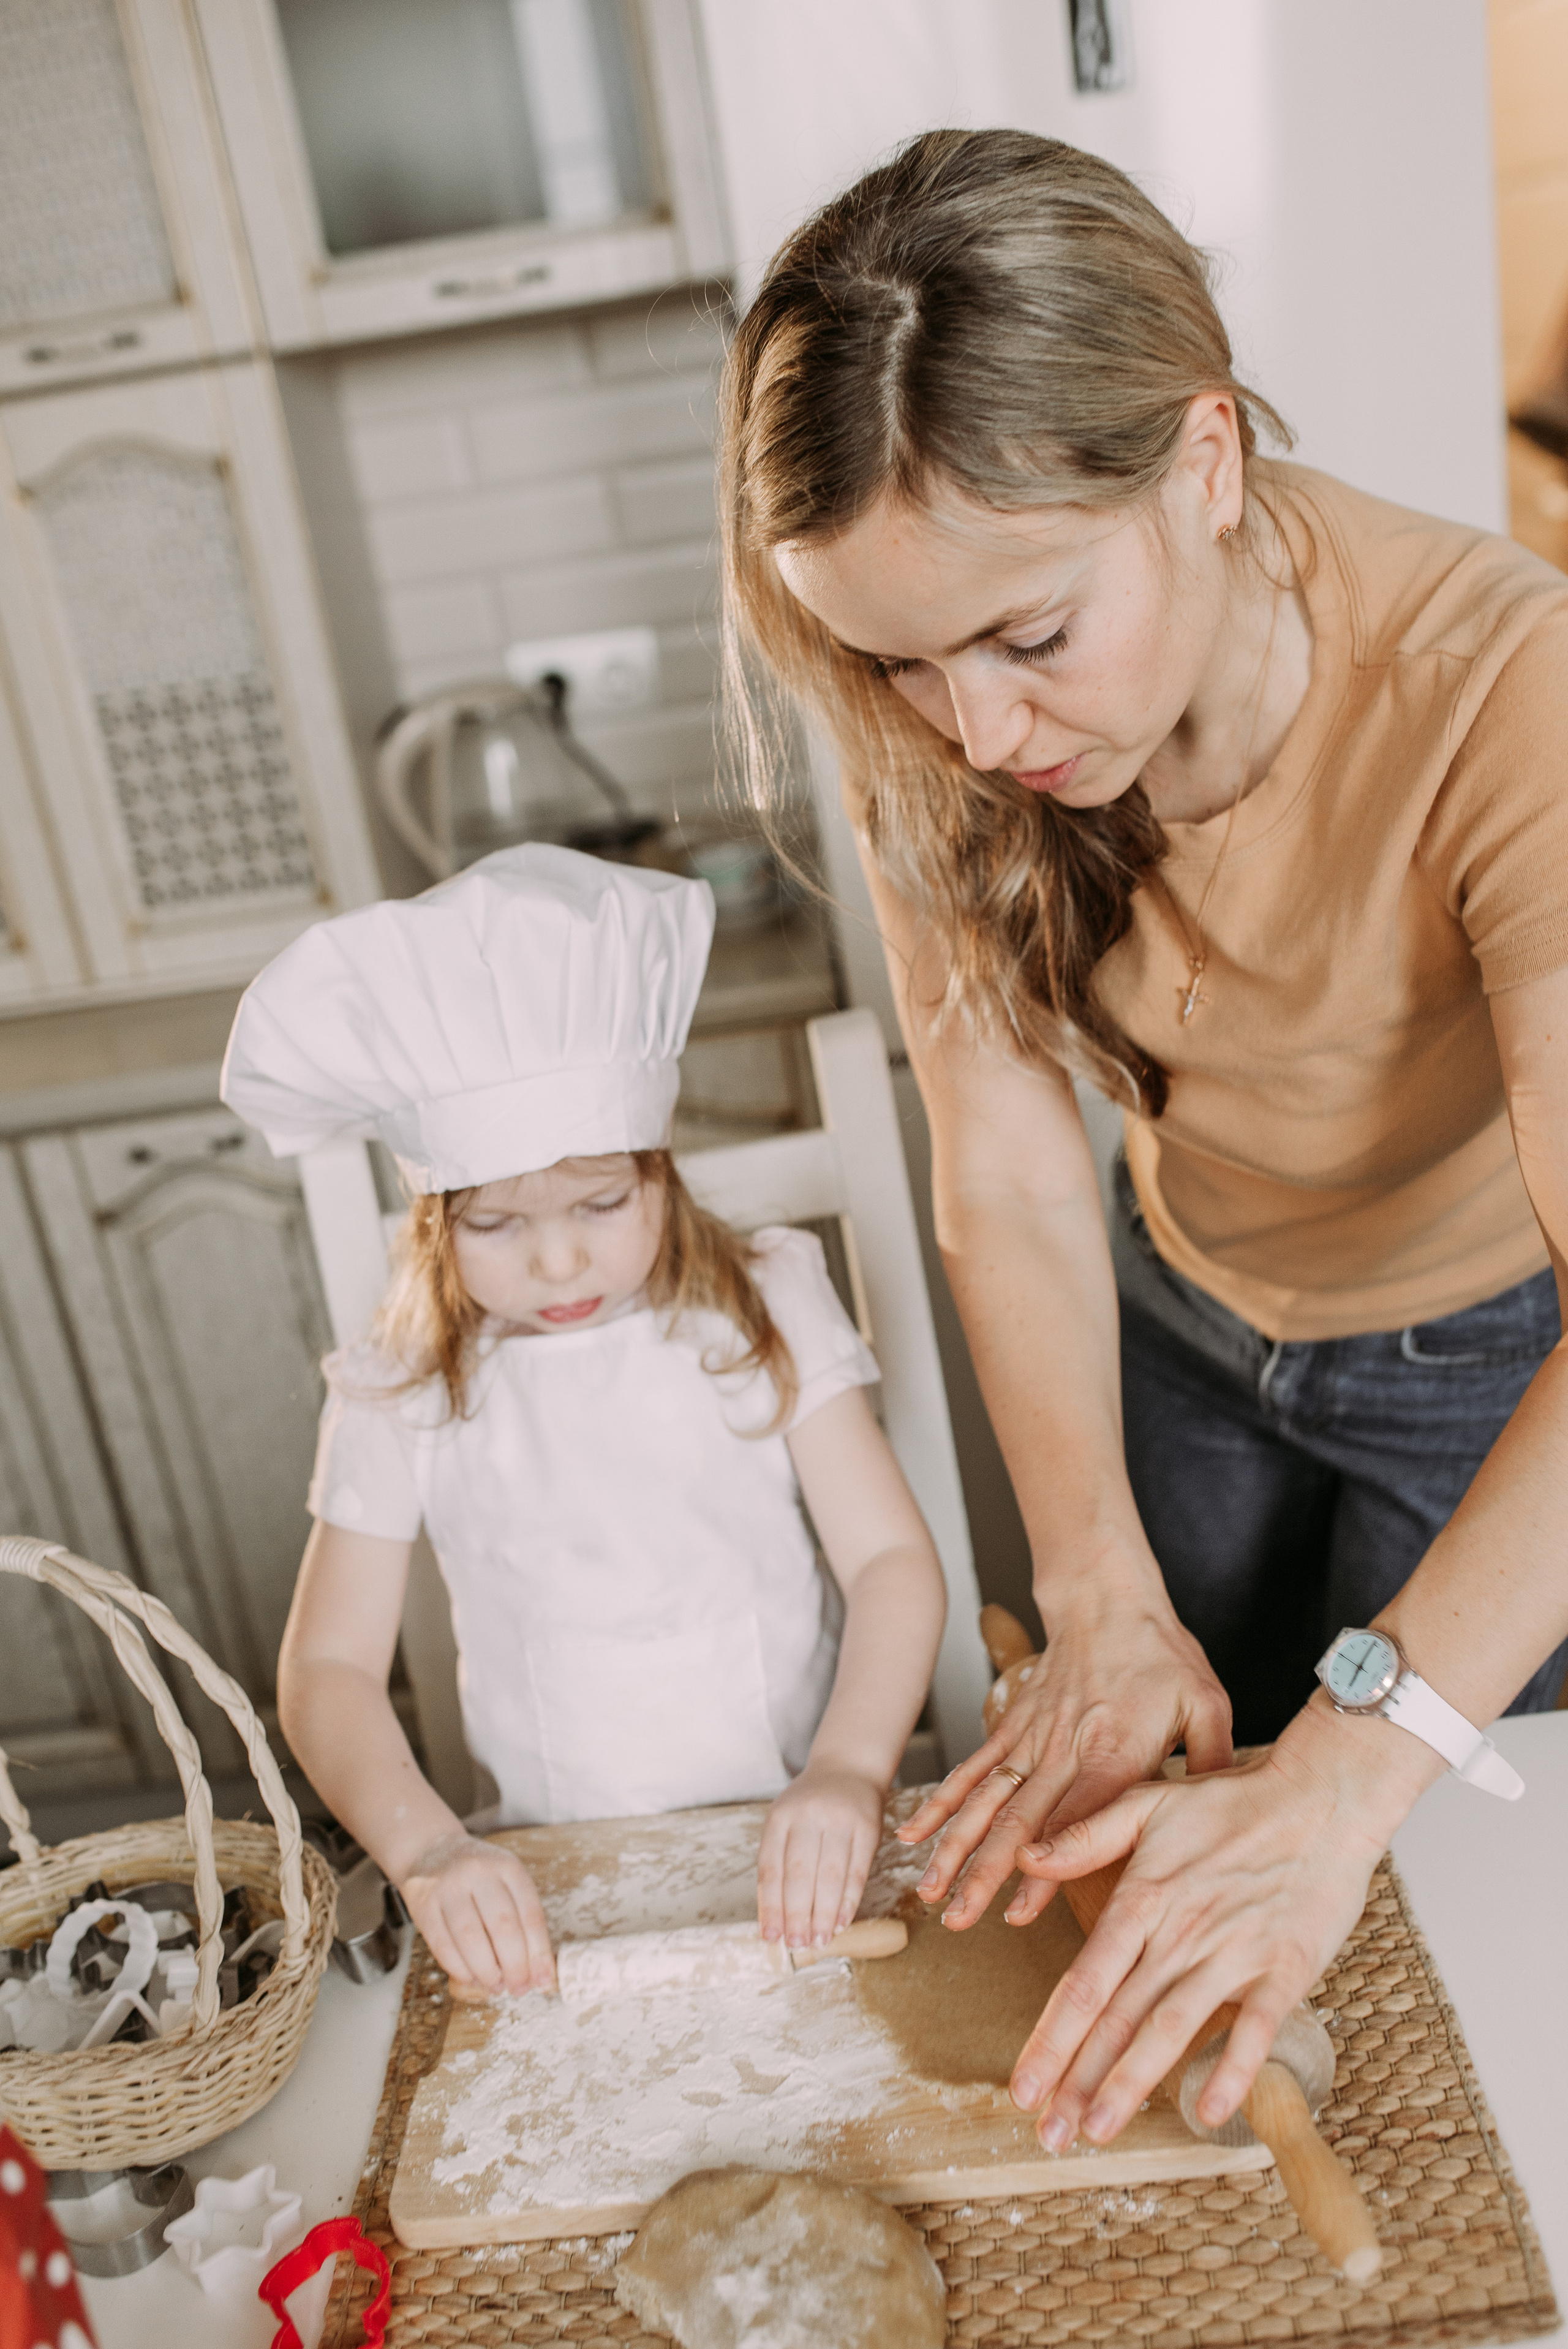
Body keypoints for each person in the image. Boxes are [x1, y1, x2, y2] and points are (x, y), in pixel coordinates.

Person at [718, 127, 1568, 2155]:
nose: (978, 734)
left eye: (1031, 638)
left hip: (1481, 1371)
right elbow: (1011, 1160)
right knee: (1164, 1867)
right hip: (1179, 1321)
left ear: (1204, 460)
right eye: (903, 666)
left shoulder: (1507, 688)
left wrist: (1360, 1762)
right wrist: (1092, 1568)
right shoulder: (936, 685)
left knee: (1431, 1915)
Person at [221, 846, 946, 1997]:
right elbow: (327, 1669)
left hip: (805, 1837)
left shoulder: (763, 1308)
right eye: (496, 1224)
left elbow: (892, 1561)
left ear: (661, 1171)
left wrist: (852, 1768)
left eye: (602, 1203)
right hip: (559, 1881)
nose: (559, 1259)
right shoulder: (403, 1381)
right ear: (432, 1220)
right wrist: (428, 1850)